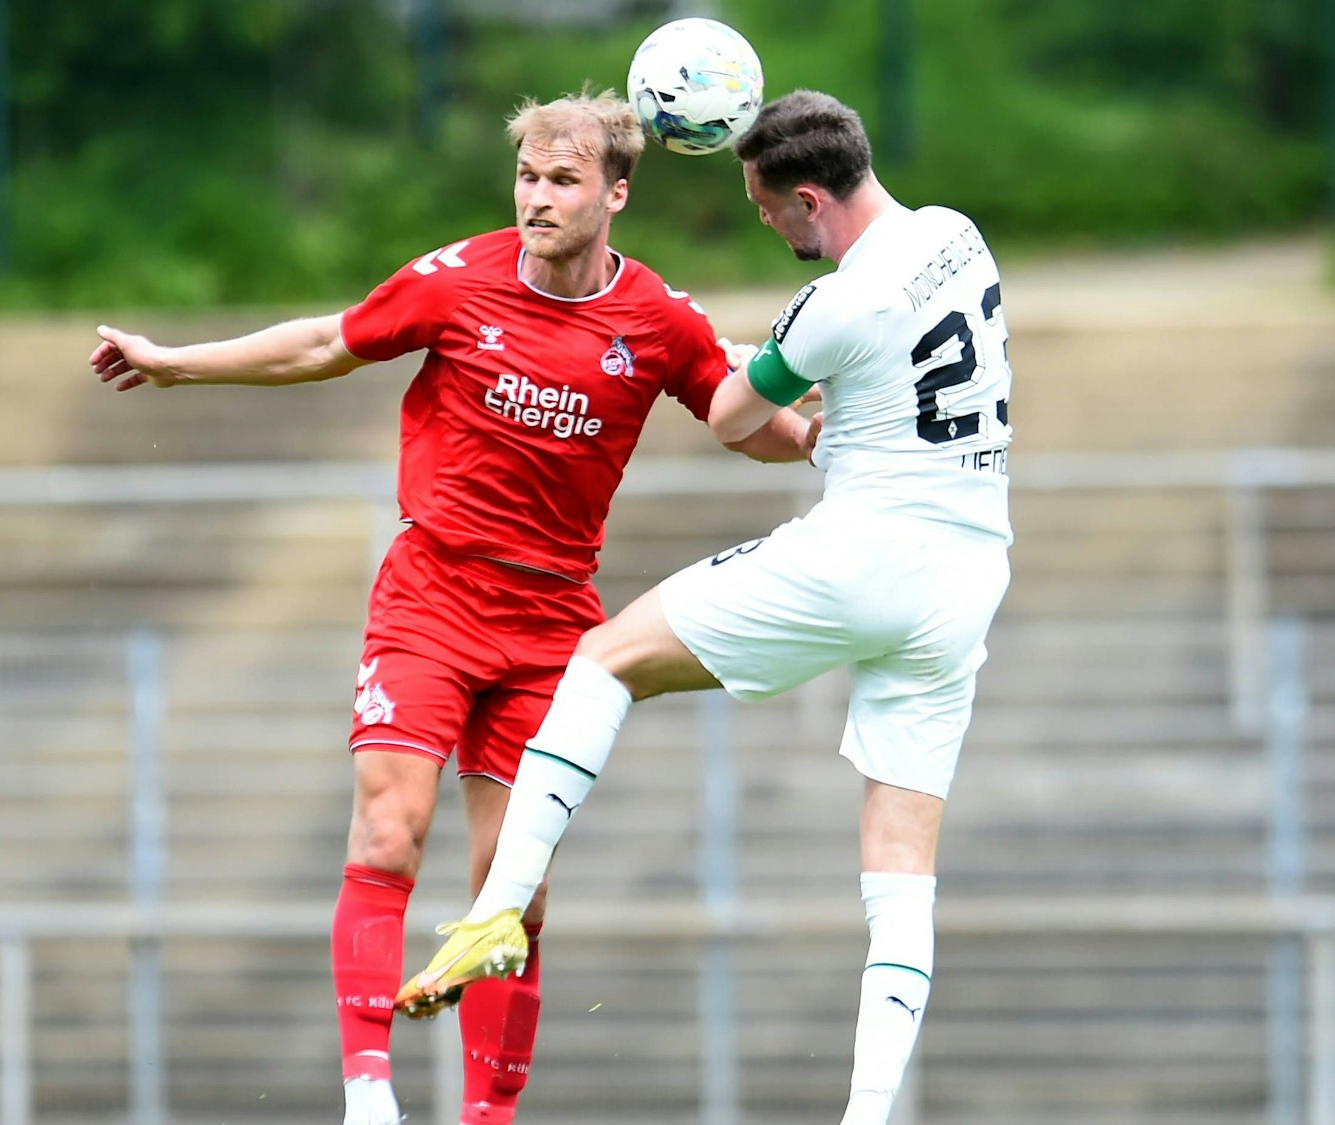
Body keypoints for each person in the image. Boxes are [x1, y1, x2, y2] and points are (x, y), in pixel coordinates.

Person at [87, 89, 811, 1125]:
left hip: (552, 627)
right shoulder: (456, 281)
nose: (537, 198)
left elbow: (741, 420)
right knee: (390, 831)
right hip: (430, 599)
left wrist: (822, 436)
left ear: (615, 193)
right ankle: (369, 1094)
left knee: (512, 890)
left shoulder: (656, 320)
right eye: (526, 177)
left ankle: (486, 1118)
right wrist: (176, 364)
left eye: (562, 181)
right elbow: (323, 343)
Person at [396, 90, 1015, 1125]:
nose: (767, 225)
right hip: (967, 578)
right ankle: (867, 1114)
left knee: (601, 659)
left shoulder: (832, 305)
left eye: (768, 209)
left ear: (809, 198)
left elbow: (733, 417)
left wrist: (758, 367)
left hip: (862, 553)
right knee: (902, 867)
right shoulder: (955, 235)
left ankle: (497, 909)